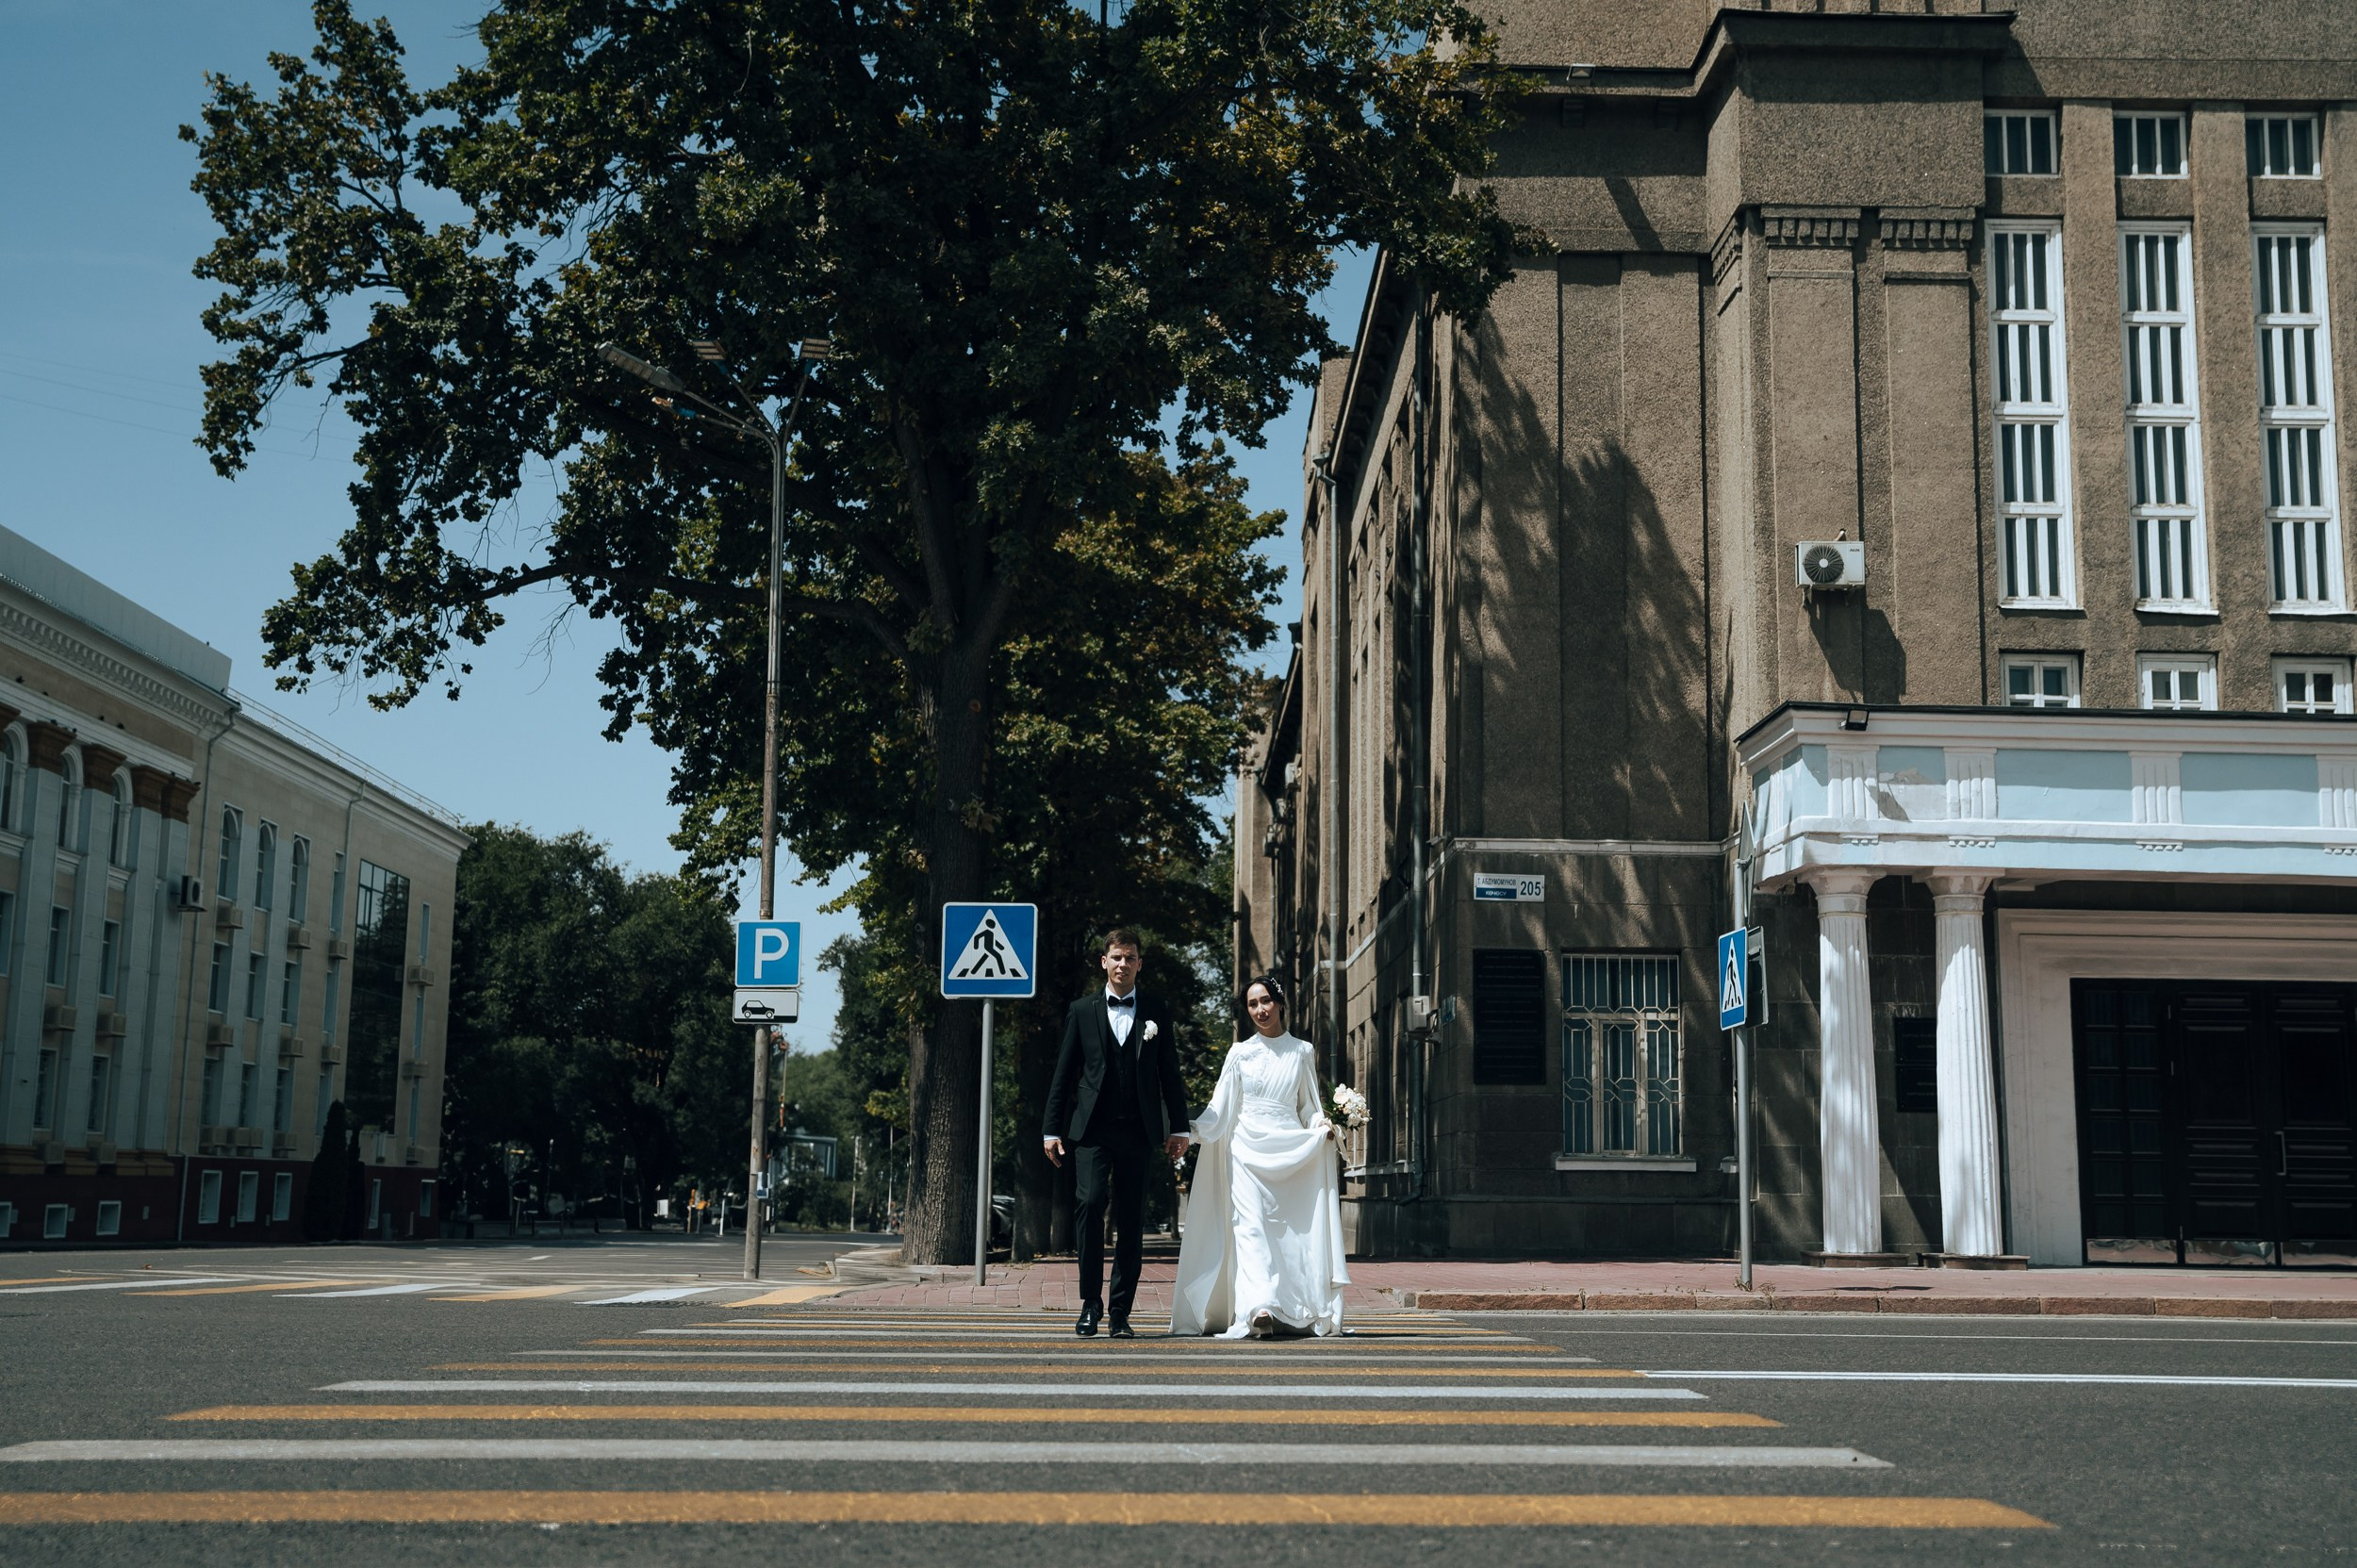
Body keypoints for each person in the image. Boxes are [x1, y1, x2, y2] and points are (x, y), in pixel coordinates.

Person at [1170, 975, 1349, 1338]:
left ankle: (1289, 1306)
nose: (1260, 1010)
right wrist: (1189, 1132)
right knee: (1249, 1229)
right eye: (1252, 1004)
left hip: (1287, 1150)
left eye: (1265, 1001)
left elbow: (1308, 1107)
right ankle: (1260, 1306)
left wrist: (1324, 1126)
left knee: (1286, 1236)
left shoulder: (1302, 1051)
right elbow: (1219, 1108)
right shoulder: (1239, 1053)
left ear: (1280, 1003)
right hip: (1245, 1150)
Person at [1041, 928, 1192, 1338]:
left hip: (1140, 1131)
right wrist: (1050, 1129)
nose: (1123, 964)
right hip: (1091, 1131)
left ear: (1139, 964)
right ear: (1104, 962)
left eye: (1130, 957)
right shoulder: (1082, 1009)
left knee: (1131, 1219)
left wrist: (1179, 1127)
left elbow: (1169, 1075)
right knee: (1089, 1205)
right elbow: (1064, 1074)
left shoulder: (1156, 1009)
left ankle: (1120, 1312)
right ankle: (1091, 1303)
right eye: (1116, 957)